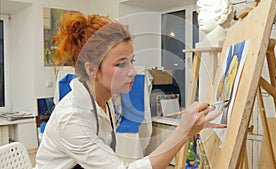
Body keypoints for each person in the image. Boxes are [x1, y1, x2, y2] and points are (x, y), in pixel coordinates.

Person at [34, 12, 226, 169]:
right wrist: (183, 131)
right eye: (120, 64)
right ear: (91, 69)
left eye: (131, 61)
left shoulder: (104, 101)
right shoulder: (72, 118)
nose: (132, 72)